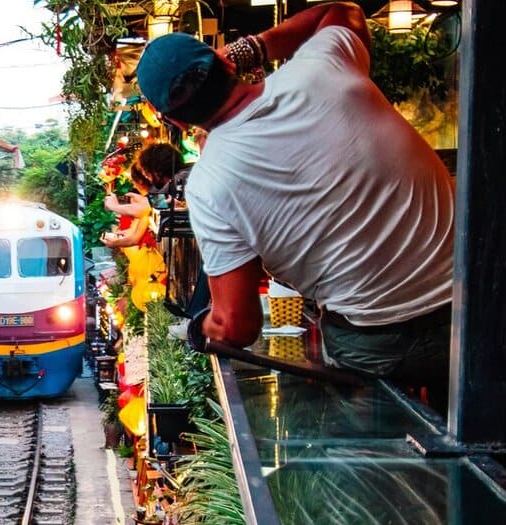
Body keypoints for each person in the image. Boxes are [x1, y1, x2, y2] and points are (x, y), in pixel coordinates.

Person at [135, 2, 454, 411]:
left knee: (363, 417)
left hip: (382, 344)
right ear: (226, 62)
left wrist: (201, 327)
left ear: (176, 121)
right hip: (479, 299)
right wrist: (254, 47)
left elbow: (235, 325)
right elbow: (340, 12)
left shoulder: (210, 184)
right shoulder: (323, 67)